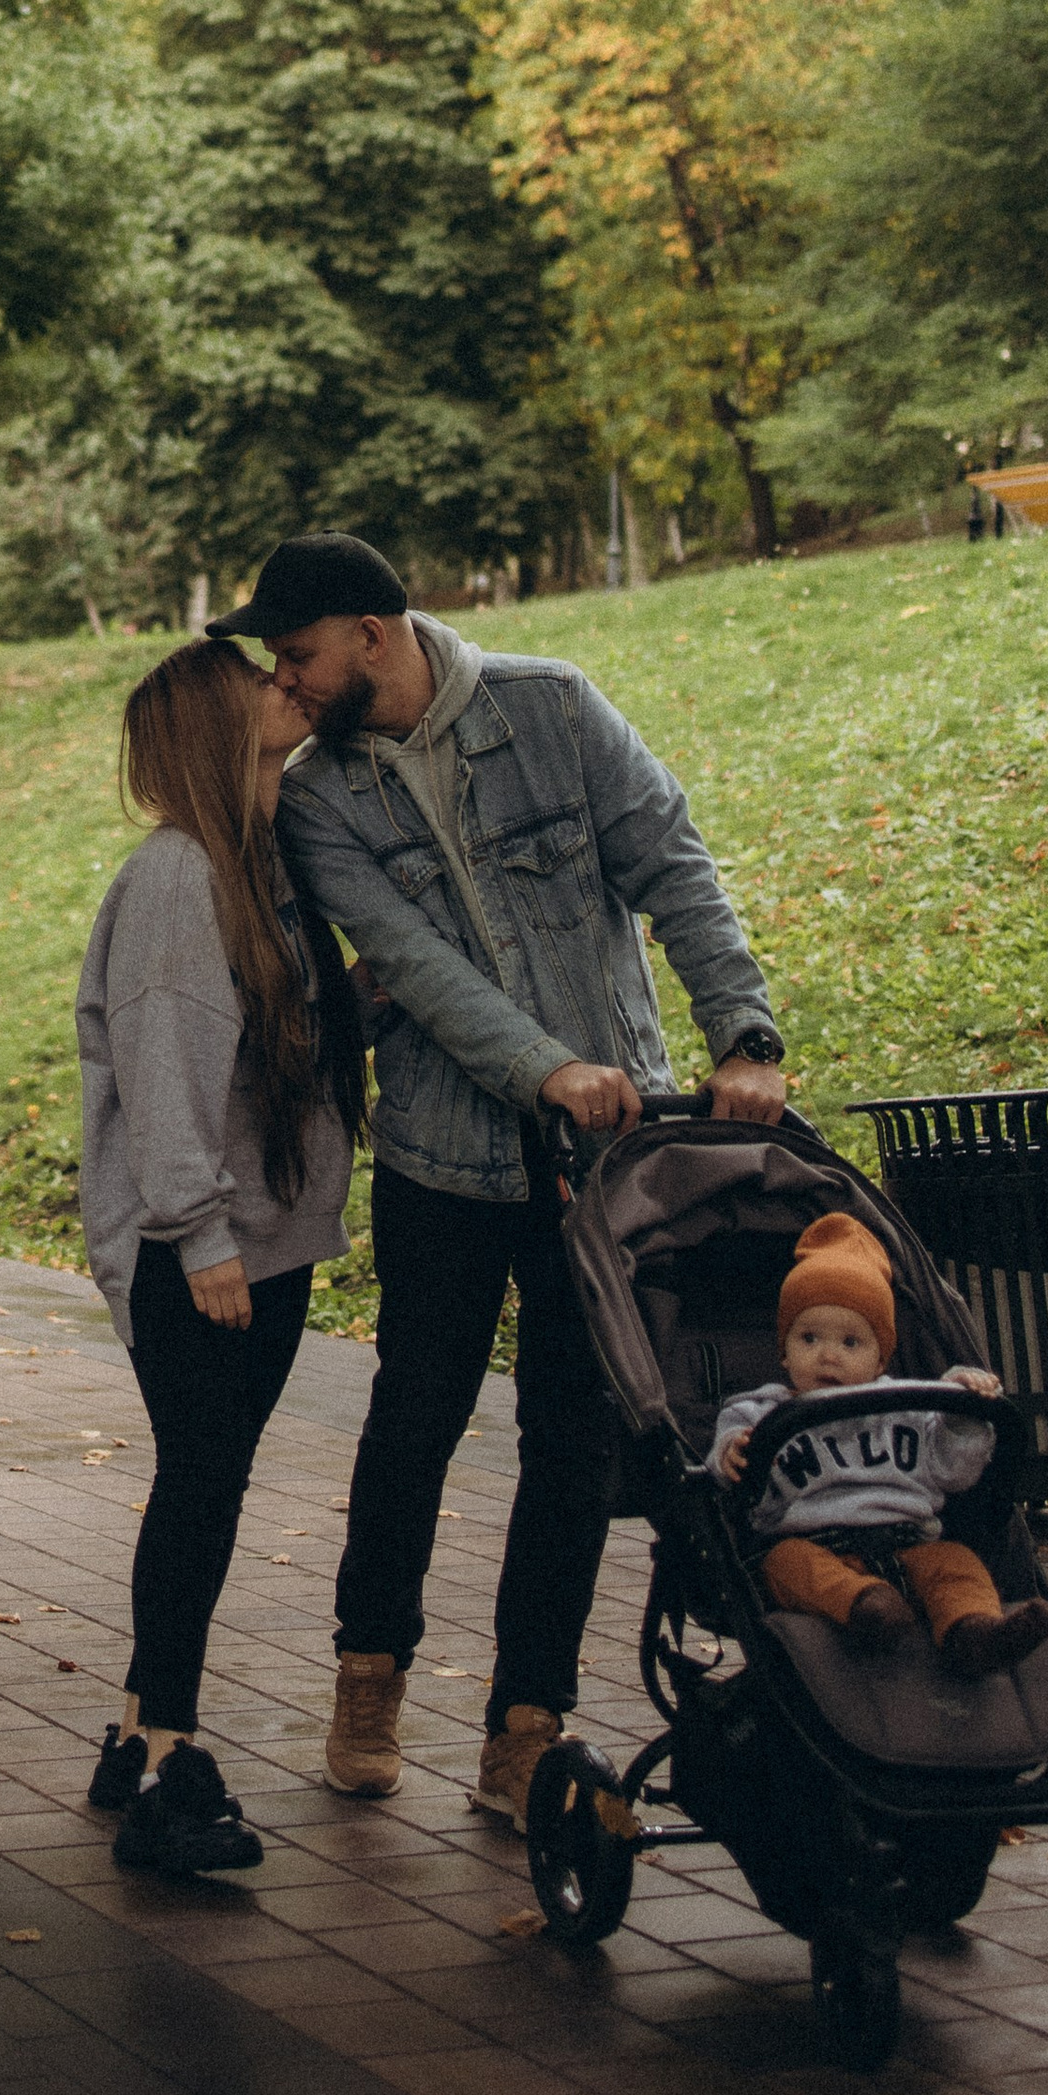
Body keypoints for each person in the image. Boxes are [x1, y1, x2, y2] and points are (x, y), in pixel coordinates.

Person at [235, 528, 789, 1830]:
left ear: (374, 632)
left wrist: (744, 1035)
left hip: (606, 1168)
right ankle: (368, 1674)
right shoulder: (319, 795)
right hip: (444, 1159)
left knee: (573, 1436)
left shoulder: (554, 707)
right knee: (415, 1416)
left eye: (300, 652)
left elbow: (676, 865)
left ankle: (525, 1728)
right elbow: (413, 965)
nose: (289, 679)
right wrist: (545, 1067)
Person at [76, 637, 366, 1878]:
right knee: (200, 1480)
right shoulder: (177, 878)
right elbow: (163, 1075)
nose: (278, 685)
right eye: (258, 676)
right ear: (212, 720)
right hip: (196, 1247)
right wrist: (199, 1236)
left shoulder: (256, 866)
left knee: (212, 1479)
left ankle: (136, 1729)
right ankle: (167, 1772)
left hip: (262, 1235)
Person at [712, 1214, 1048, 1674]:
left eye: (851, 1342)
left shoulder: (905, 1406)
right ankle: (870, 1609)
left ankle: (975, 1633)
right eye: (808, 1337)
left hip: (909, 1541)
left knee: (957, 1562)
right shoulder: (761, 1412)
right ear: (783, 1350)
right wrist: (729, 1453)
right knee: (784, 1564)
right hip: (814, 1544)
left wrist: (960, 1413)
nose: (828, 1354)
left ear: (881, 1359)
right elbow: (725, 1463)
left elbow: (957, 1473)